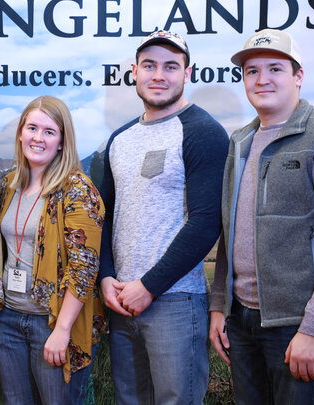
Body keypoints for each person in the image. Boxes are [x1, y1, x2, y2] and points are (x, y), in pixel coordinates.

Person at [90, 30, 229, 404]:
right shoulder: (119, 139)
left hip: (175, 301)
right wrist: (105, 276)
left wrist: (149, 285)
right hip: (120, 301)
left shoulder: (203, 132)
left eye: (171, 66)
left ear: (187, 73)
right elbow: (103, 216)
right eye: (149, 65)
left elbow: (205, 224)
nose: (159, 75)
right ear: (134, 71)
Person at [209, 29, 314, 404]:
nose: (262, 79)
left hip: (298, 325)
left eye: (275, 69)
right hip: (242, 320)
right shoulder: (240, 141)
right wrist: (220, 306)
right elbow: (228, 228)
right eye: (252, 71)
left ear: (298, 76)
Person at [0, 96, 105, 404]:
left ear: (63, 141)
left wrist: (62, 330)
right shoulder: (9, 184)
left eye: (49, 131)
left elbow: (84, 269)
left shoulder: (78, 190)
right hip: (10, 318)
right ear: (20, 134)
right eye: (32, 128)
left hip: (51, 322)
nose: (38, 138)